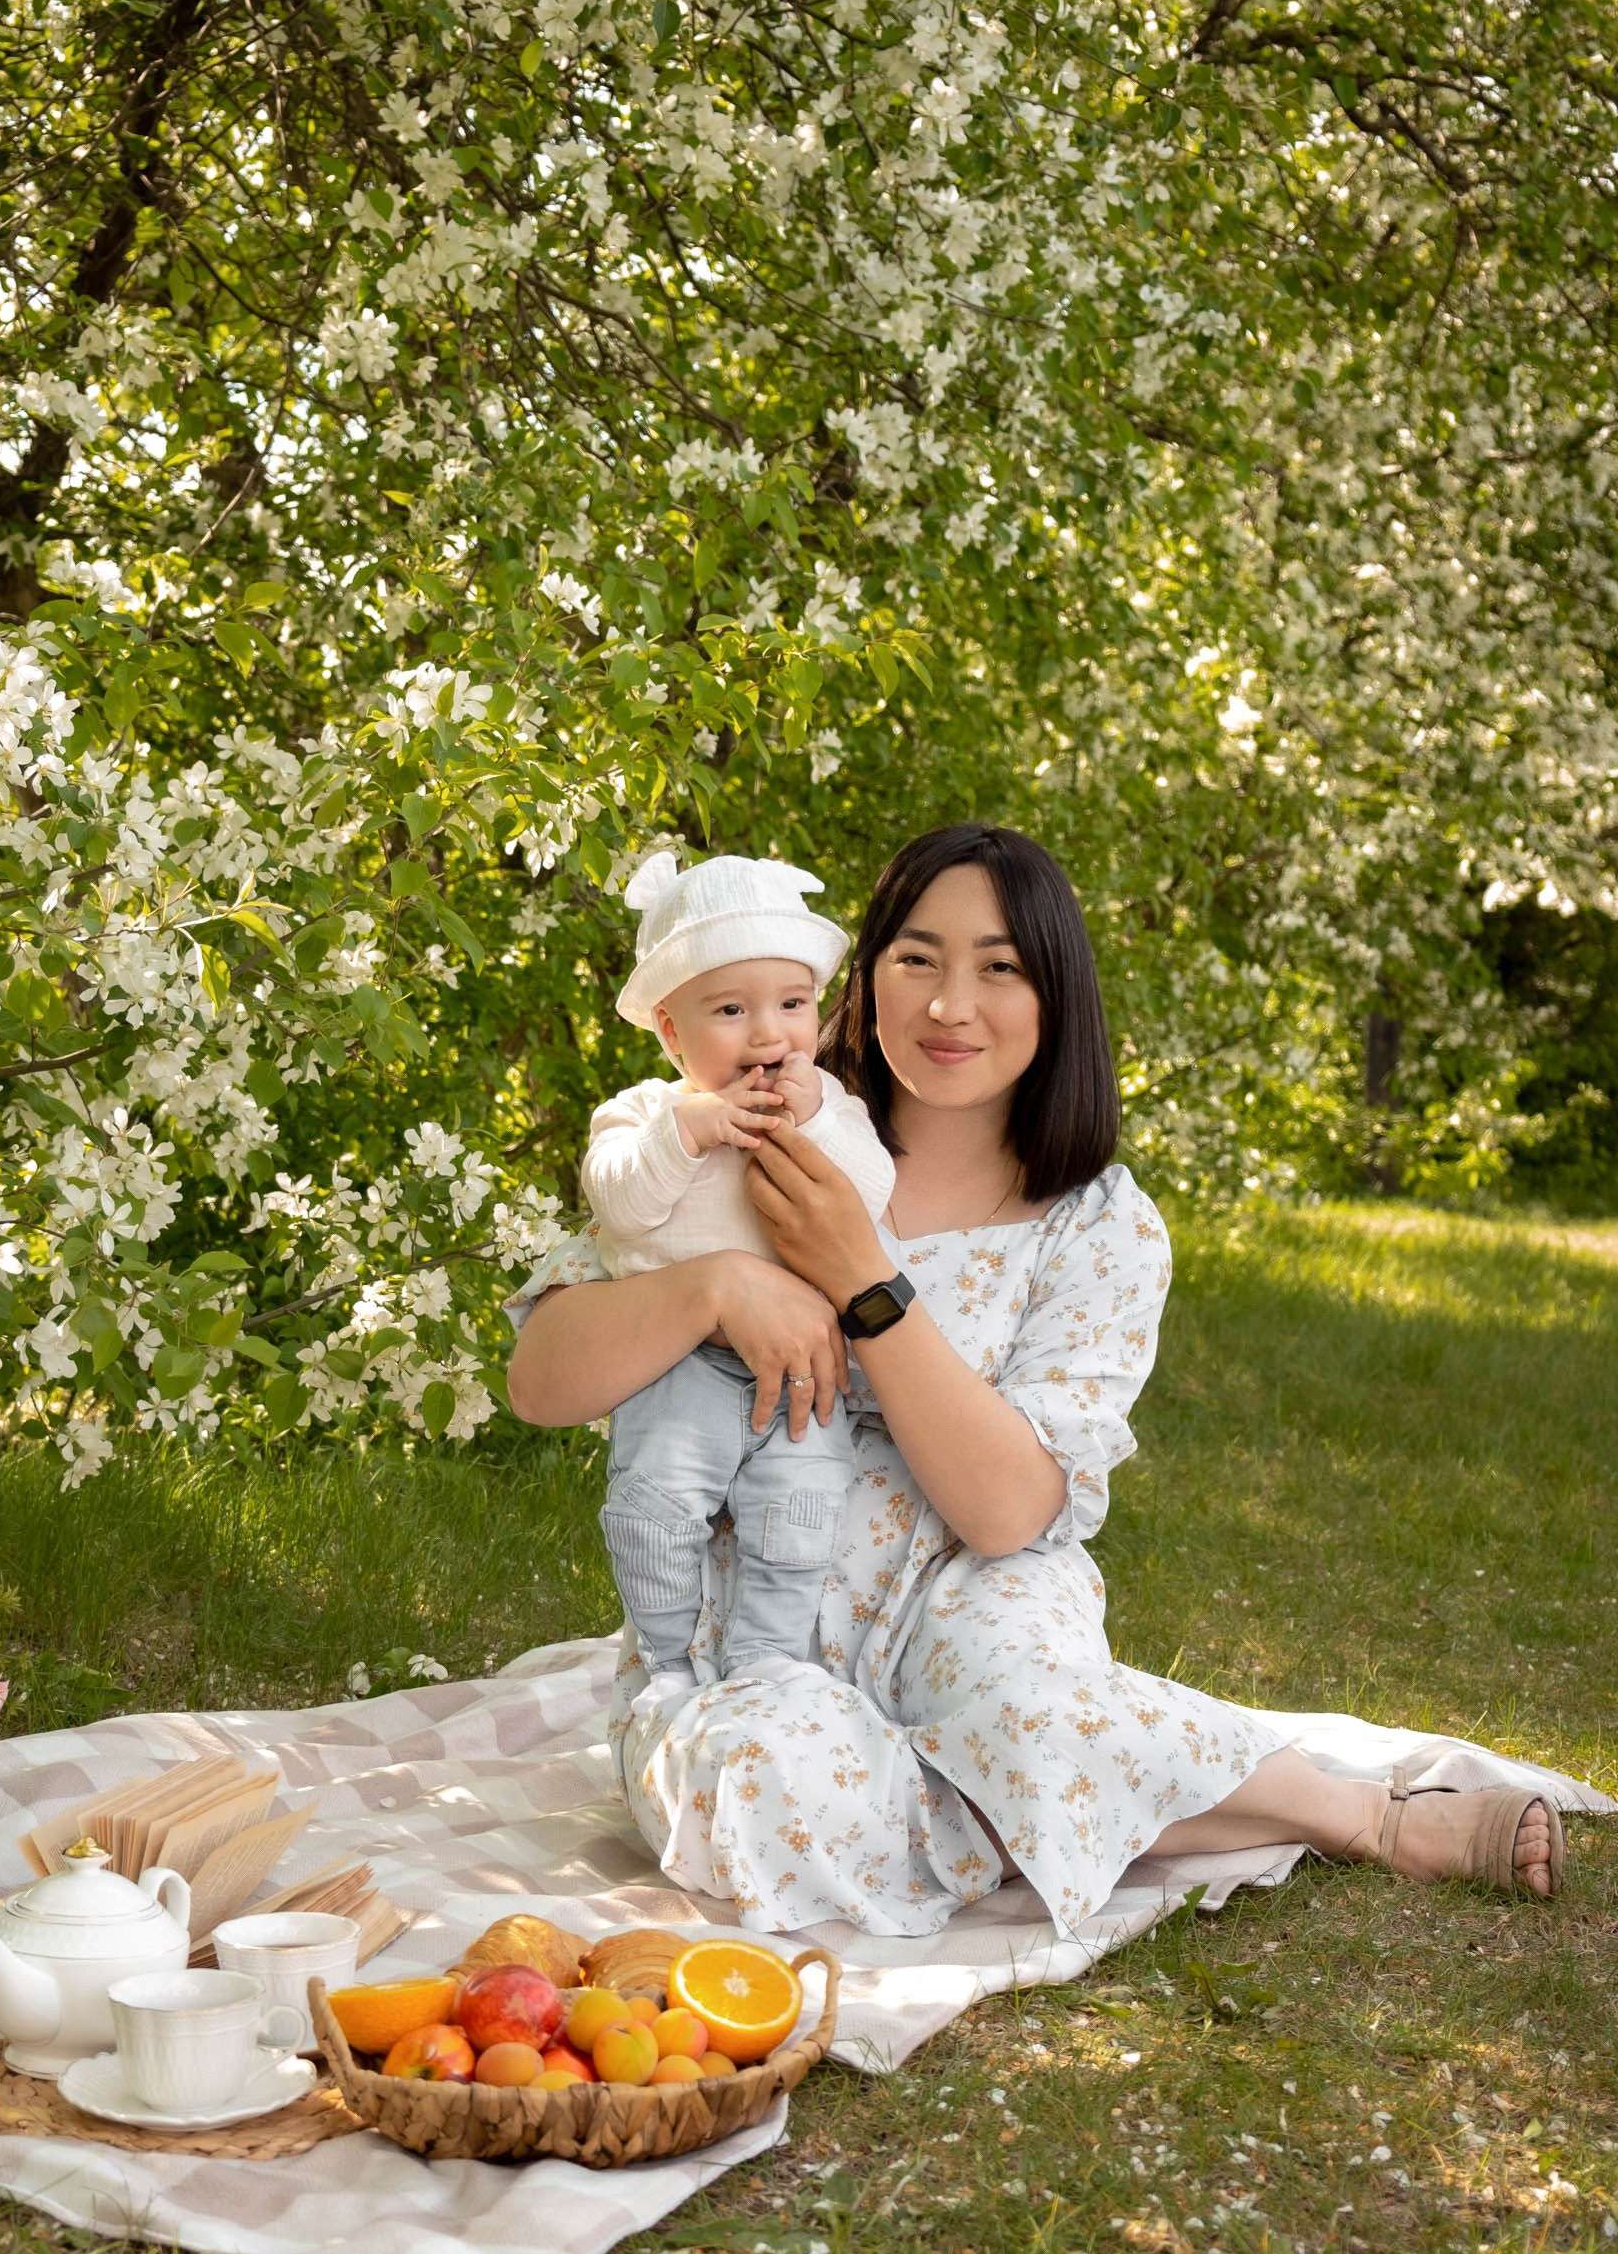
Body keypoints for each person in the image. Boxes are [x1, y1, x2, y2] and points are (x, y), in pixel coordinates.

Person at [508, 822, 1563, 1937]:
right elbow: (541, 1380)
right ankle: (1087, 1800)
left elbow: (1009, 1512)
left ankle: (1359, 1815)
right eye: (915, 959)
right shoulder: (728, 1136)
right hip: (758, 1614)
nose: (949, 1005)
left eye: (998, 967)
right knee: (746, 1785)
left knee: (1034, 1721)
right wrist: (719, 1285)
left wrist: (861, 1278)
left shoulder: (1099, 1227)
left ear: (1053, 995)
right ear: (859, 982)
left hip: (976, 1595)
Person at [581, 850, 894, 1682]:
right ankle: (667, 1660)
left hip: (801, 1369)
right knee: (653, 1510)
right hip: (681, 1365)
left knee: (799, 1515)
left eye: (792, 1004)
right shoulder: (647, 1113)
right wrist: (694, 1128)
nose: (768, 1034)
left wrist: (817, 1122)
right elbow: (620, 1204)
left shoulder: (832, 1110)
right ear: (671, 1030)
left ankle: (765, 1661)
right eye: (730, 1009)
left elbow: (871, 1195)